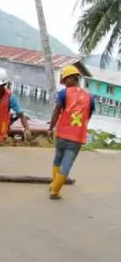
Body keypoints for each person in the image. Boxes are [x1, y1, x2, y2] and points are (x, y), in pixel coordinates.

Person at [46, 65, 94, 200]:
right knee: (66, 163)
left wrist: (51, 128)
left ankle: (54, 186)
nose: (65, 83)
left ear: (73, 78)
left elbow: (56, 112)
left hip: (62, 133)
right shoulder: (89, 97)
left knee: (59, 160)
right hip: (77, 137)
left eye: (66, 79)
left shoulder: (63, 94)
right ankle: (54, 190)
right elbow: (88, 115)